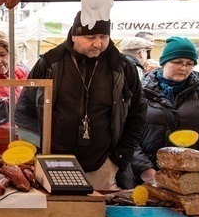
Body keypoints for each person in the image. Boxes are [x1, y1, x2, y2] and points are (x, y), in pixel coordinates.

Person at [15, 12, 146, 190]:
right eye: (91, 37)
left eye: (103, 37)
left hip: (102, 167)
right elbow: (24, 109)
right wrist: (37, 153)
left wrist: (117, 160)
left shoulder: (122, 68)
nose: (98, 43)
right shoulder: (49, 64)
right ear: (74, 35)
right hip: (52, 164)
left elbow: (137, 115)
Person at [131, 37, 199, 185]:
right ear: (164, 63)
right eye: (177, 62)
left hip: (190, 178)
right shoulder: (140, 93)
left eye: (189, 64)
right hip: (145, 175)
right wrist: (144, 168)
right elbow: (127, 135)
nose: (183, 68)